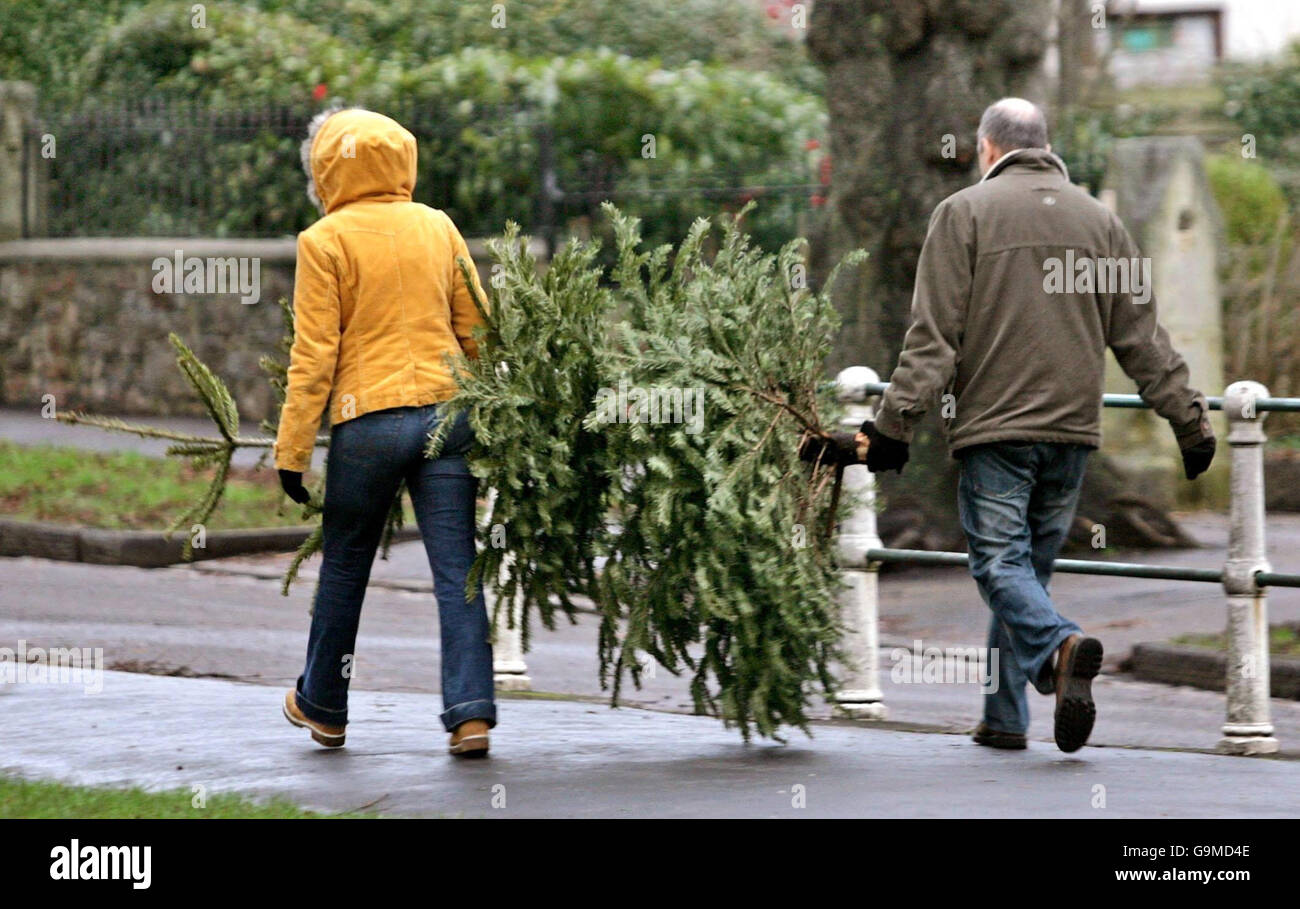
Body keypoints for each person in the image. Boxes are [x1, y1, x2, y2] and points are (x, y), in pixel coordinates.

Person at [858, 98, 1216, 753]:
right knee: (1024, 574)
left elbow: (932, 339)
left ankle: (1059, 645)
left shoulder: (962, 212)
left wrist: (891, 427)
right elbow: (1141, 339)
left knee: (998, 565)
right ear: (1045, 146)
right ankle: (1004, 717)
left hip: (997, 432)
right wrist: (1189, 420)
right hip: (1073, 436)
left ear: (988, 148)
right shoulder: (1101, 222)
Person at [274, 108, 495, 757]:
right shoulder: (438, 226)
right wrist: (493, 415)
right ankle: (470, 714)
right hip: (445, 416)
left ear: (326, 169)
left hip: (366, 421)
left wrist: (291, 452)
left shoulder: (324, 240)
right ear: (402, 158)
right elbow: (478, 328)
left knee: (344, 563)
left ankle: (324, 704)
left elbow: (313, 355)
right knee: (459, 569)